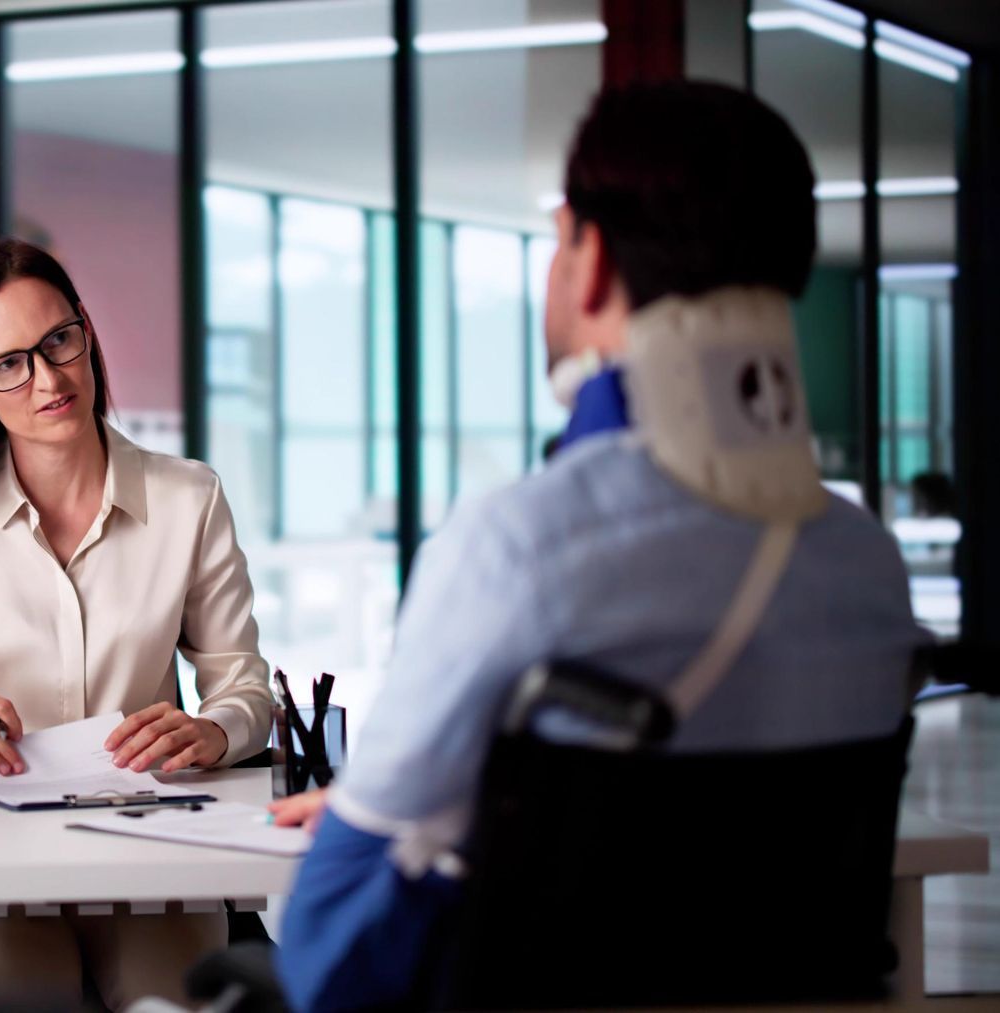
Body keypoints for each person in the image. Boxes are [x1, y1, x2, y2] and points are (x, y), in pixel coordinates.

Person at [266, 81, 929, 1011]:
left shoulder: (522, 546)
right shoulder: (868, 564)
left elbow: (326, 954)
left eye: (559, 238)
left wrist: (404, 831)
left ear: (593, 258)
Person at [0, 238, 273, 1009]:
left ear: (86, 332)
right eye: (9, 362)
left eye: (59, 340)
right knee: (28, 981)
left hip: (142, 838)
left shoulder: (188, 498)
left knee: (169, 992)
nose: (48, 377)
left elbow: (242, 683)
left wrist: (215, 730)